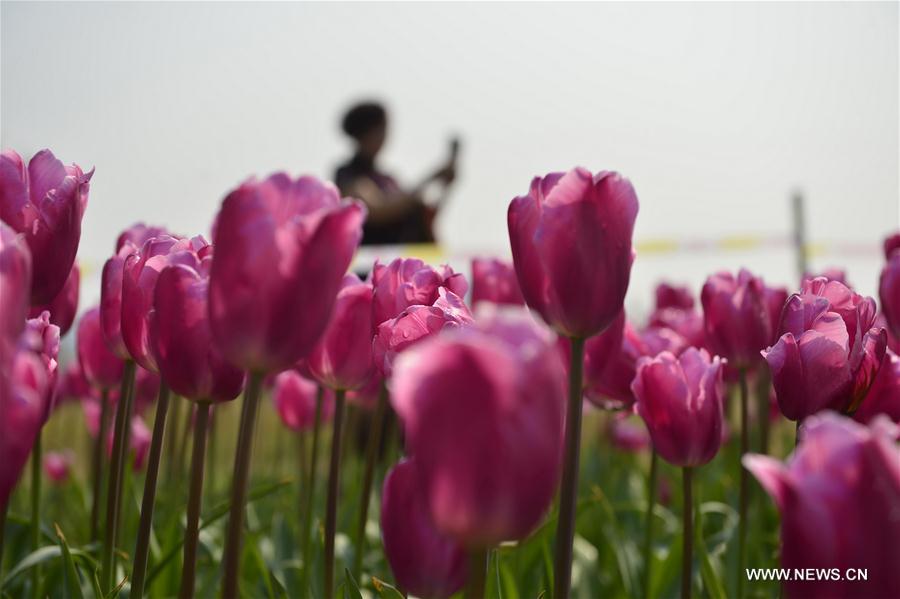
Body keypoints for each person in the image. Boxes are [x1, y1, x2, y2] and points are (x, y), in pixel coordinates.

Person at [334, 101, 458, 245]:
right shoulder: (348, 174)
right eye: (381, 129)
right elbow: (378, 210)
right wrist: (431, 177)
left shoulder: (387, 179)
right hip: (371, 262)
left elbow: (425, 214)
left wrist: (446, 186)